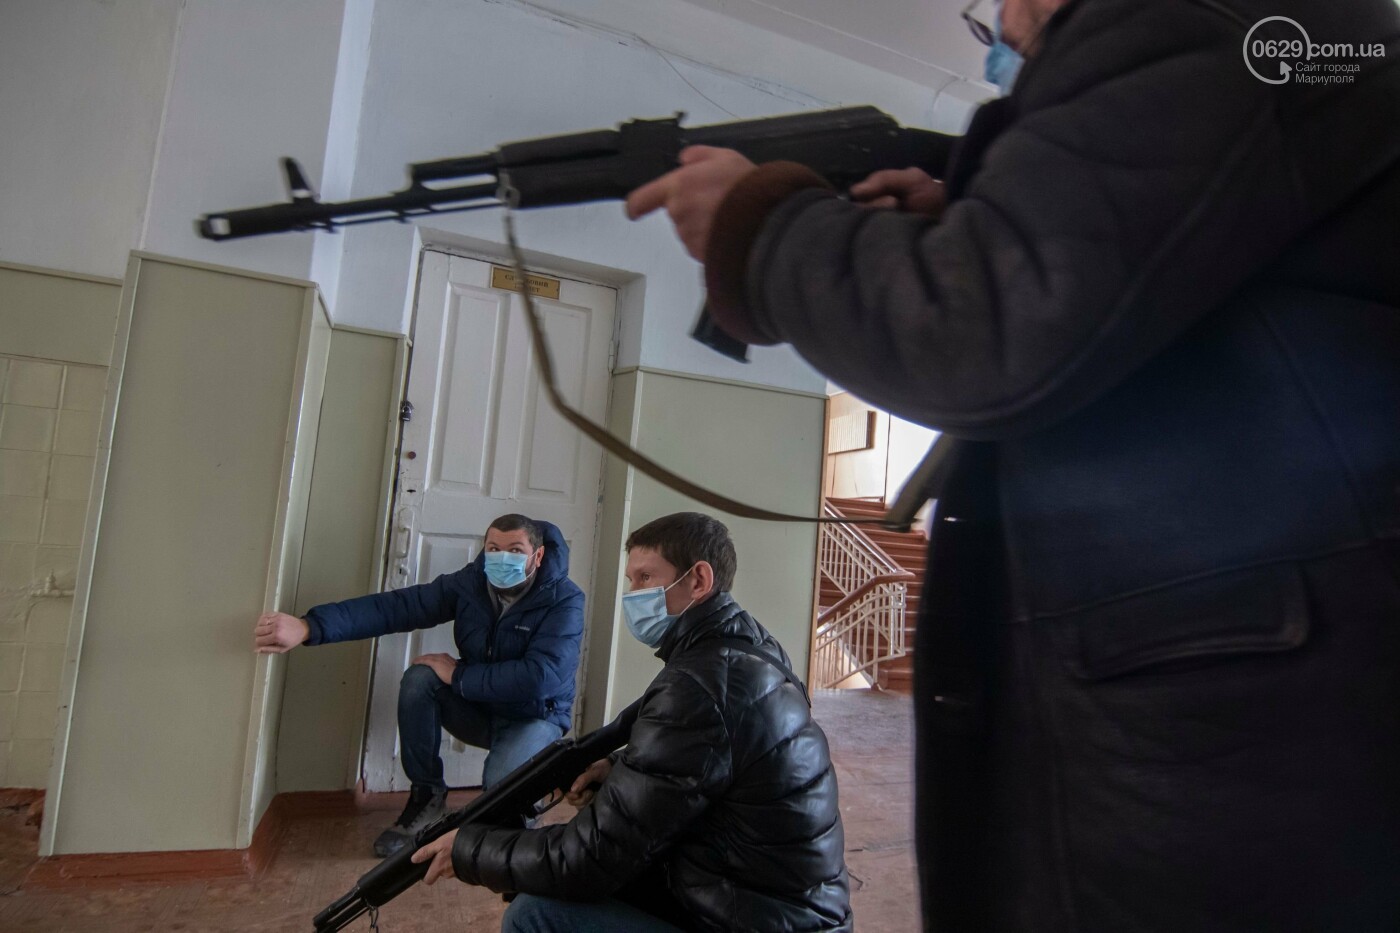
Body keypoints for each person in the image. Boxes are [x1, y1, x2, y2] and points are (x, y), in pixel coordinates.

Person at [622, 0, 1400, 930]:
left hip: (1230, 685)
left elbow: (984, 335)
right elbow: (1149, 276)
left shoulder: (1190, 18)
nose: (1002, 29)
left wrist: (764, 229)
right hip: (1254, 651)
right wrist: (964, 220)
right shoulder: (1283, 42)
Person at [411, 512, 853, 932]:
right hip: (759, 896)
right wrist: (618, 766)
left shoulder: (700, 684)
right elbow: (705, 757)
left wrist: (470, 849)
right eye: (631, 580)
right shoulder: (746, 650)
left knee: (537, 917)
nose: (633, 594)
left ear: (698, 580)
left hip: (758, 915)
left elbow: (588, 859)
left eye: (645, 578)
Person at [254, 513, 584, 857]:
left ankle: (522, 805)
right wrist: (309, 627)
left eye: (515, 550)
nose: (502, 558)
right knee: (420, 679)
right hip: (481, 709)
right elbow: (399, 607)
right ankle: (427, 796)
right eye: (493, 549)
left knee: (499, 819)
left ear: (538, 555)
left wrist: (458, 676)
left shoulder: (565, 599)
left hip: (534, 717)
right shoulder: (470, 584)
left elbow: (541, 678)